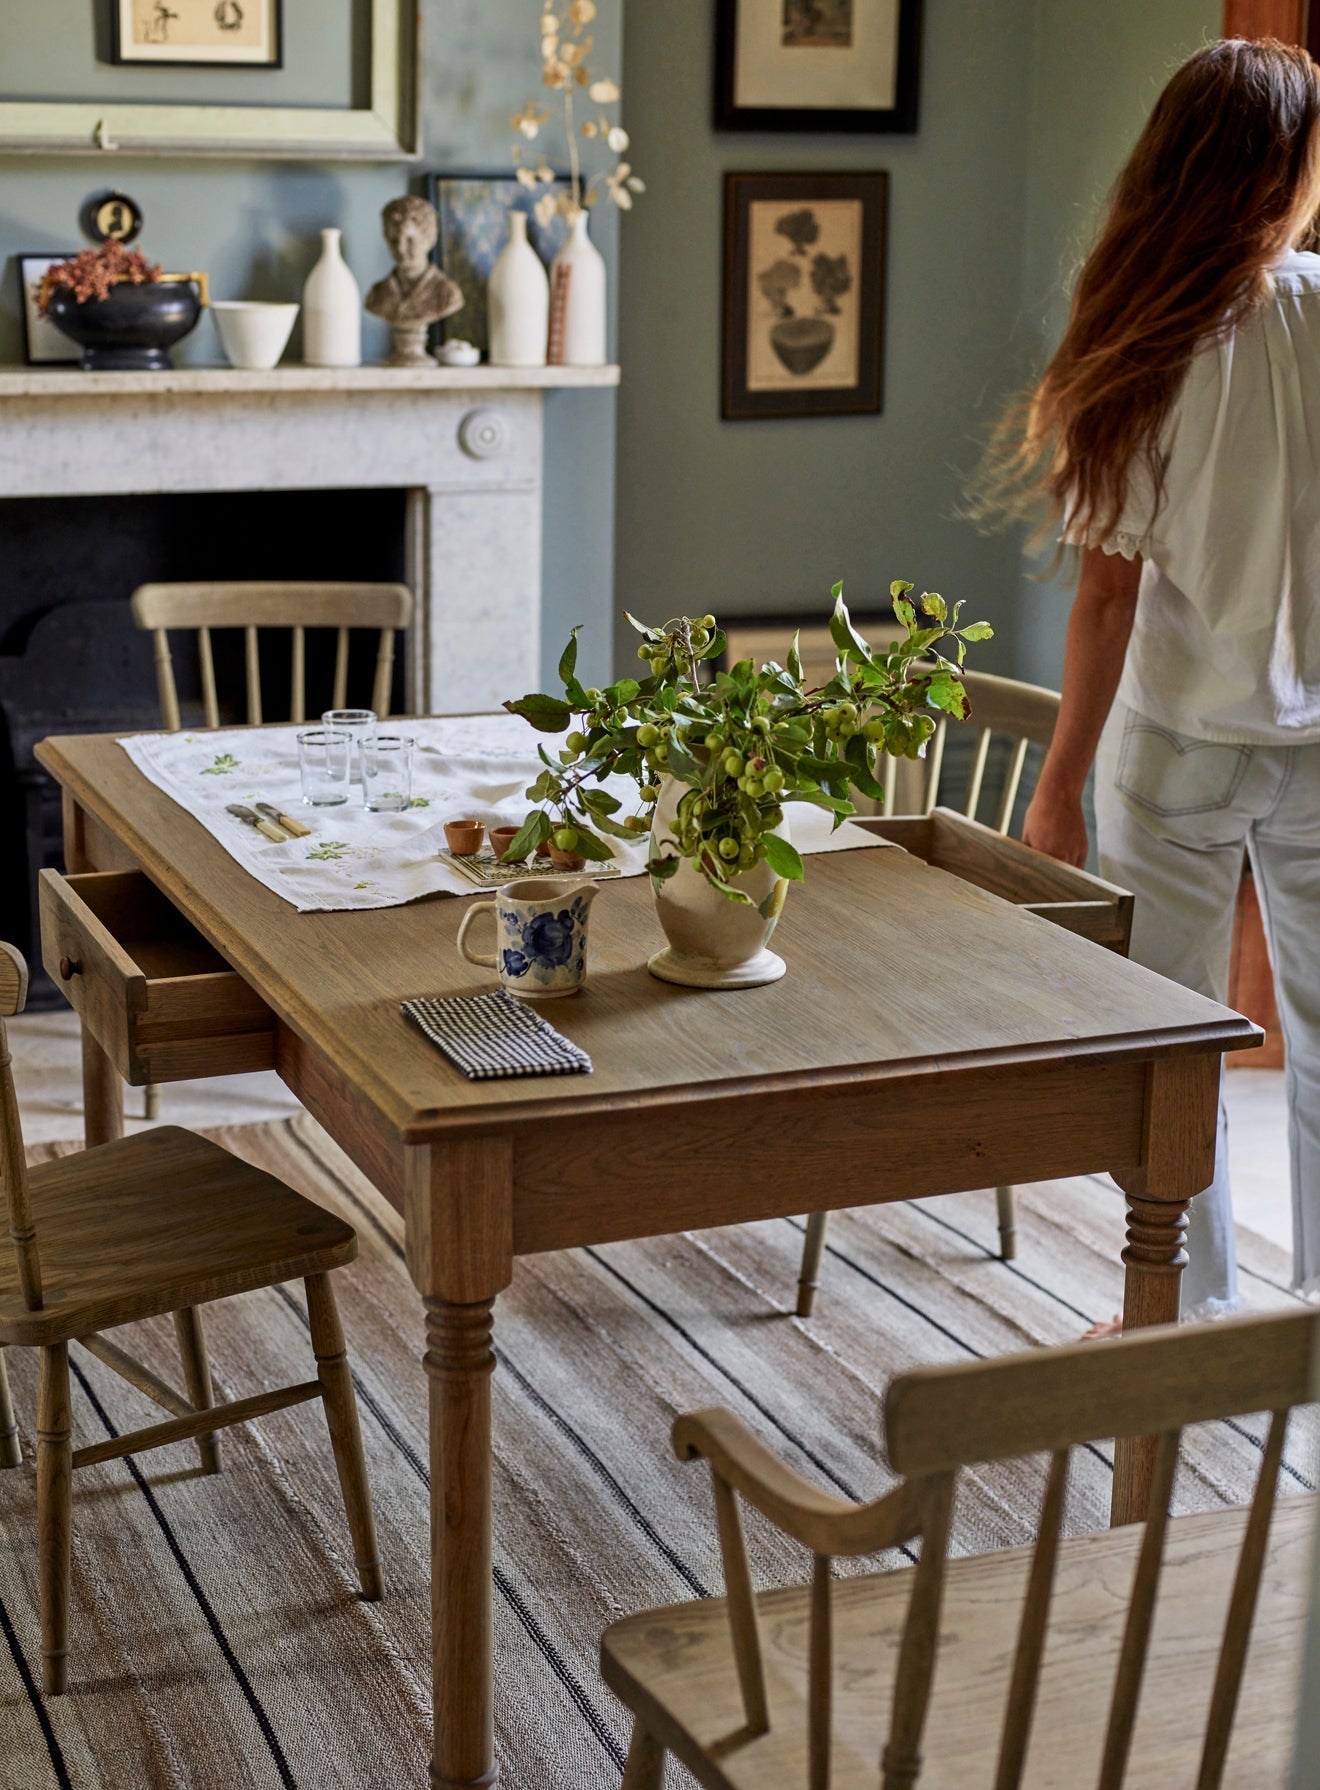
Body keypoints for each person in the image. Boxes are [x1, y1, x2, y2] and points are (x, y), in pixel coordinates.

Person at [979, 38, 1320, 1321]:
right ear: (1286, 173)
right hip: (1319, 739)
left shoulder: (1144, 325)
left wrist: (1058, 786)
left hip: (1178, 741)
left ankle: (1185, 1318)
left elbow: (1110, 592)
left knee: (1176, 1048)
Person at [365, 195, 463, 366]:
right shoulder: (377, 295)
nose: (401, 250)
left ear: (429, 239)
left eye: (410, 240)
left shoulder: (447, 294)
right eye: (394, 240)